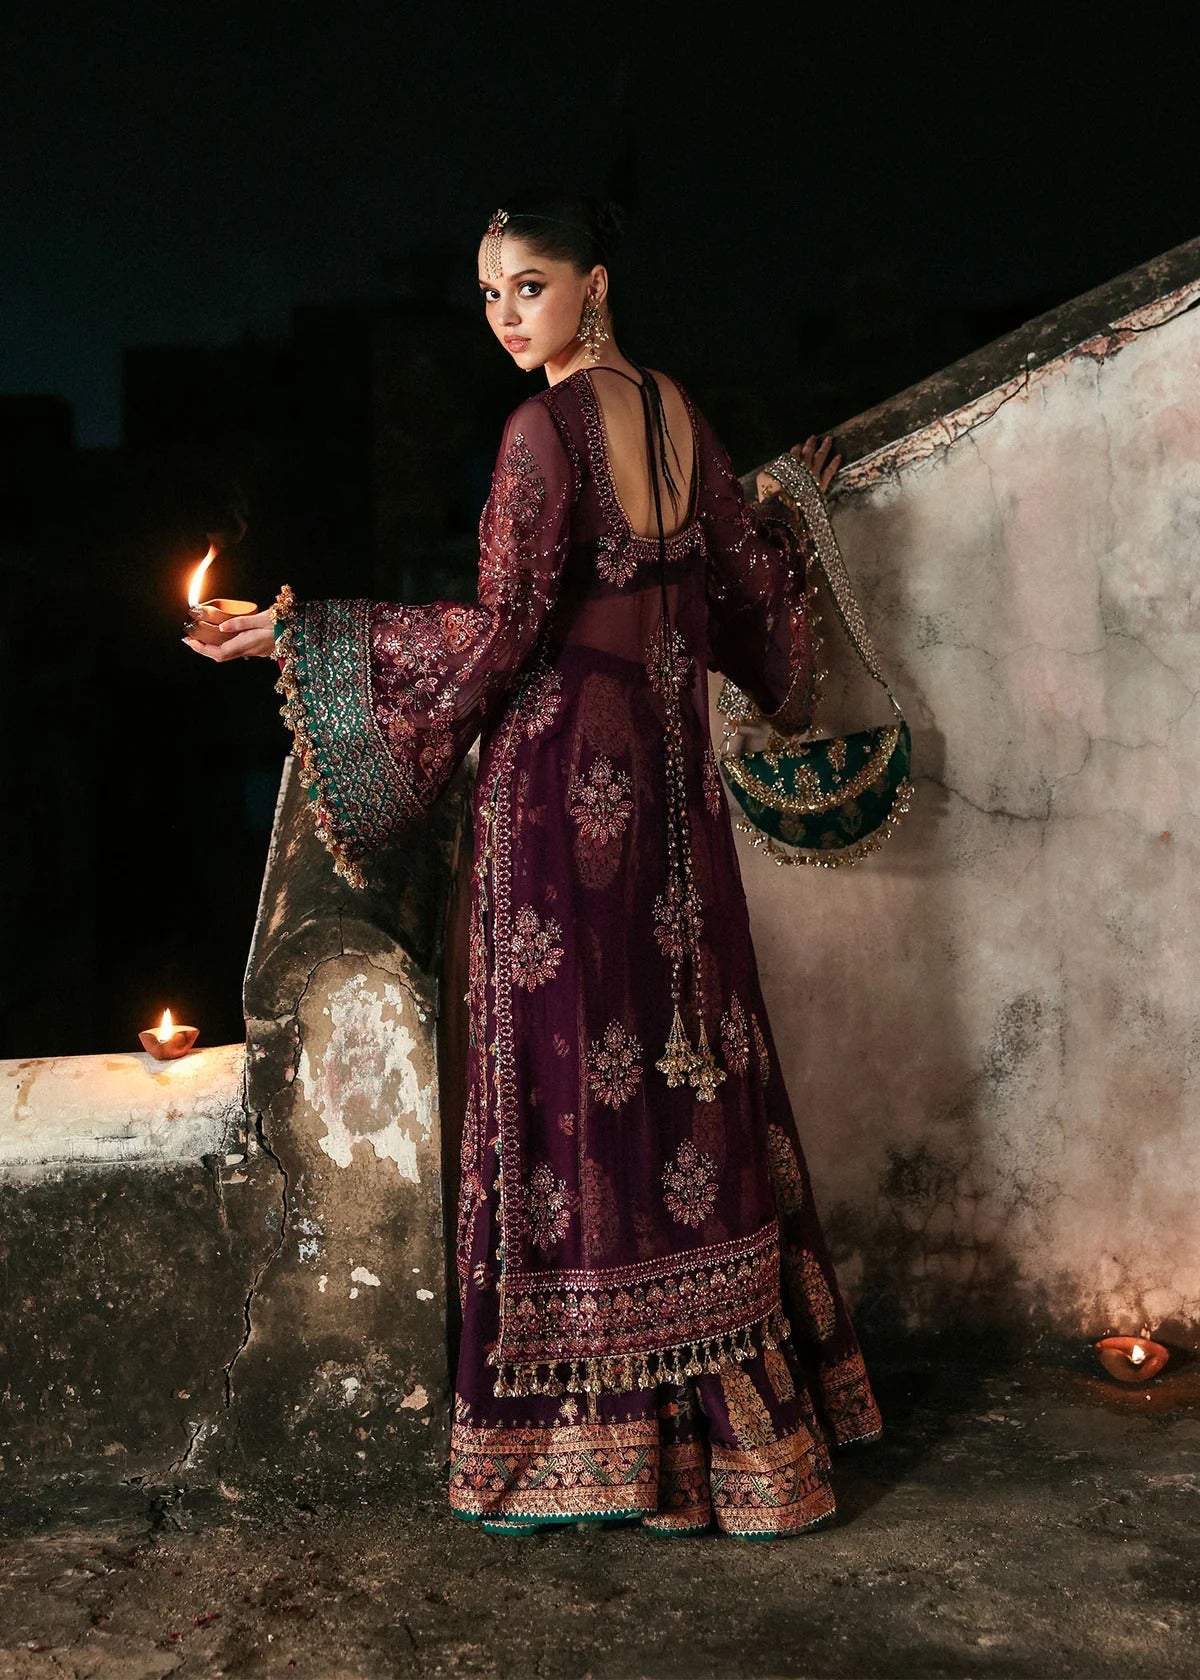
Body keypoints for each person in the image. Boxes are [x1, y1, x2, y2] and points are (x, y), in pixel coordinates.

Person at [184, 192, 883, 1538]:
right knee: (687, 1074)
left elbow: (501, 635)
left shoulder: (541, 431)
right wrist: (794, 511)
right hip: (672, 791)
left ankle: (591, 1445)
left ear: (593, 286)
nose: (506, 316)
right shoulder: (677, 411)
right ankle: (737, 1440)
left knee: (566, 1090)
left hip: (561, 794)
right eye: (490, 293)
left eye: (530, 286)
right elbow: (743, 586)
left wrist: (301, 635)